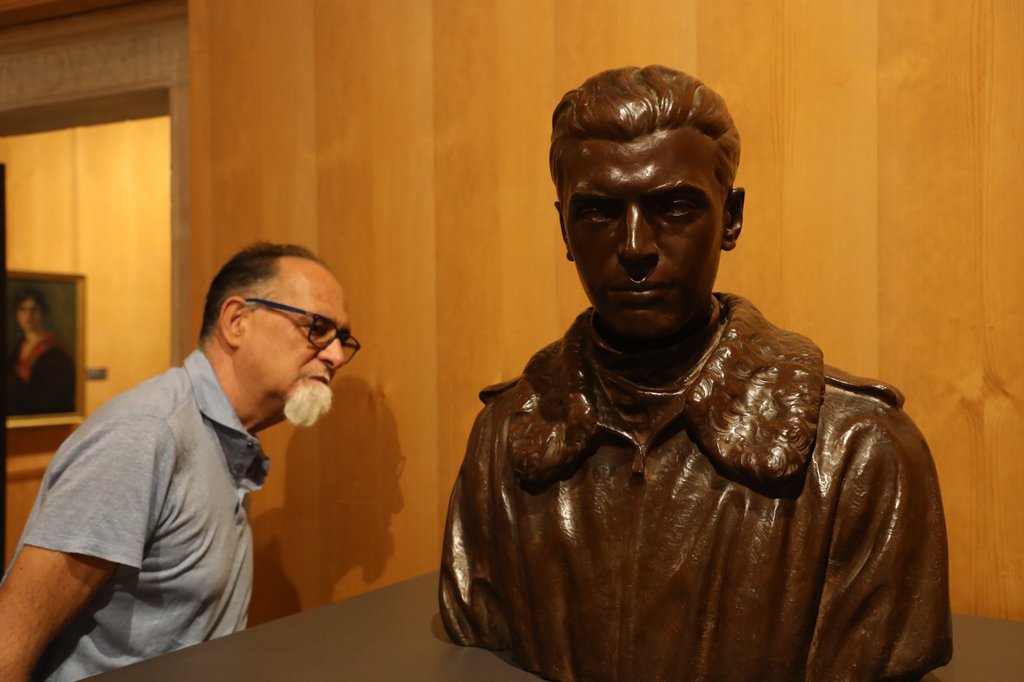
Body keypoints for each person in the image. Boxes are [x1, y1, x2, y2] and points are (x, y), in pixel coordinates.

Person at [440, 66, 952, 681]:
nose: (635, 246)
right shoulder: (503, 441)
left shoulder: (861, 454)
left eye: (674, 207)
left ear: (731, 218)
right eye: (599, 213)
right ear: (564, 230)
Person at [0, 243, 361, 681]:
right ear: (237, 321)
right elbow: (10, 640)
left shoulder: (226, 440)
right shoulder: (144, 435)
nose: (335, 356)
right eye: (317, 328)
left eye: (342, 339)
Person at [7, 288, 76, 416]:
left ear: (43, 312)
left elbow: (52, 401)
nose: (28, 316)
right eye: (22, 309)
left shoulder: (55, 354)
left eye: (34, 309)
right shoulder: (19, 346)